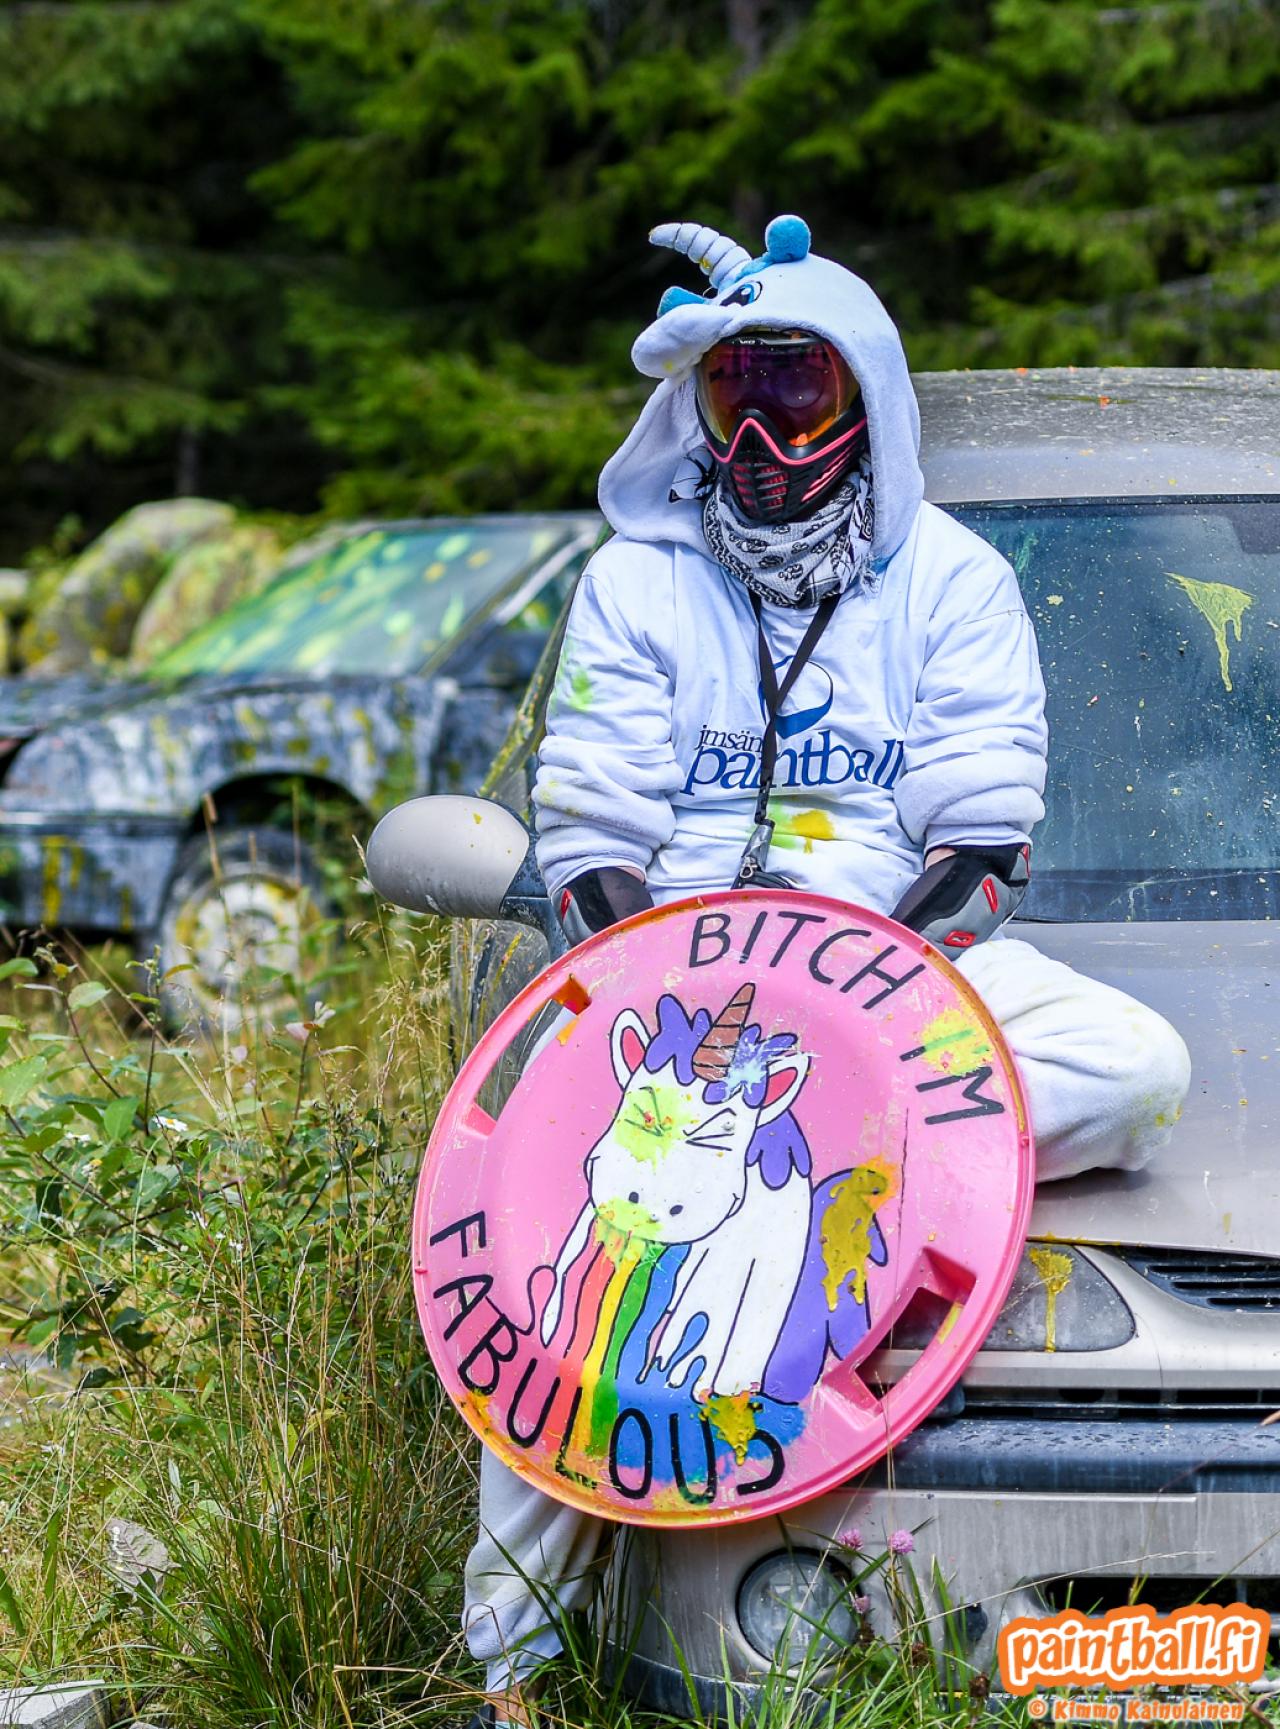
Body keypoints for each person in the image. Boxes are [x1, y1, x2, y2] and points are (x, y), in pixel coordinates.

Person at [462, 215, 1191, 1726]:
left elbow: (984, 839)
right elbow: (590, 827)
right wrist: (663, 1021)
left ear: (864, 399)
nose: (761, 436)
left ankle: (854, 1189)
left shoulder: (954, 579)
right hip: (669, 993)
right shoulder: (635, 583)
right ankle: (509, 1678)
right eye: (734, 396)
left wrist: (860, 1022)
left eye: (797, 393)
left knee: (1138, 1067)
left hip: (889, 971)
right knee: (548, 1276)